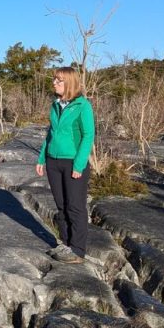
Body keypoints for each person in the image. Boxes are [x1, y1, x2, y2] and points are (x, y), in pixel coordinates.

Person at [35, 67, 95, 264]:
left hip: (73, 163)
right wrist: (42, 158)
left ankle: (77, 251)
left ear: (69, 83)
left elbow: (88, 136)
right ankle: (66, 244)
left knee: (75, 207)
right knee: (61, 207)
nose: (54, 83)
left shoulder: (82, 106)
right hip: (53, 162)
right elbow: (51, 133)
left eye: (58, 80)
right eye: (54, 79)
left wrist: (79, 165)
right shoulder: (56, 104)